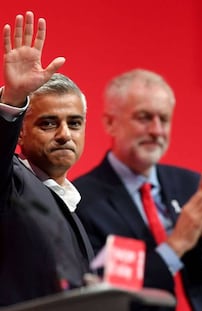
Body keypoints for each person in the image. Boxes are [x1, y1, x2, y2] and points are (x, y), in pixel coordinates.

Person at [73, 69, 202, 310]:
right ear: (110, 123)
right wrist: (177, 244)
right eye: (144, 118)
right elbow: (103, 296)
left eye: (164, 119)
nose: (156, 130)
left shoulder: (191, 186)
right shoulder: (82, 200)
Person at [0, 11, 93, 306]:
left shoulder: (71, 203)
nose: (65, 134)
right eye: (48, 123)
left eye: (75, 123)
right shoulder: (11, 181)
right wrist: (12, 101)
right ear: (21, 133)